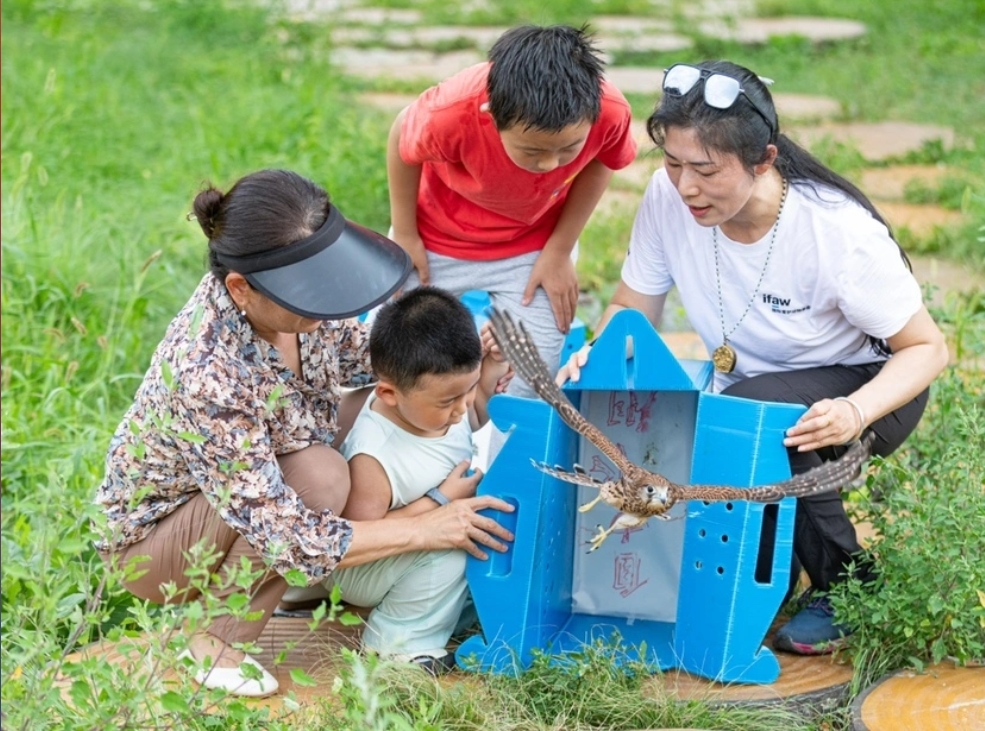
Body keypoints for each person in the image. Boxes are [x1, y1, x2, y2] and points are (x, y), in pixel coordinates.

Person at [561, 61, 948, 655]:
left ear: (764, 159)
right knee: (700, 424)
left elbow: (927, 348)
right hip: (755, 385)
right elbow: (632, 308)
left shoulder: (836, 233)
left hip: (872, 387)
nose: (685, 186)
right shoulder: (670, 200)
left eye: (706, 170)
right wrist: (595, 354)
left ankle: (849, 586)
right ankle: (775, 565)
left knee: (752, 417)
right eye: (673, 163)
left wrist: (854, 410)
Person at [93, 169, 515, 697]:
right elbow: (284, 531)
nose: (324, 300)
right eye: (306, 291)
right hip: (157, 547)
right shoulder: (208, 372)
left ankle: (298, 588)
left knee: (370, 402)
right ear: (241, 288)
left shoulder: (294, 311)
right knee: (318, 477)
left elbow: (381, 363)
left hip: (240, 496)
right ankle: (213, 638)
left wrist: (464, 359)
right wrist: (425, 525)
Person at [386, 23, 638, 397]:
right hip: (437, 239)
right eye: (533, 151)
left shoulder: (611, 111)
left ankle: (512, 450)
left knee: (533, 378)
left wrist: (559, 250)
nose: (551, 165)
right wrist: (405, 234)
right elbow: (401, 139)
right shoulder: (450, 112)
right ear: (491, 114)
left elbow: (605, 159)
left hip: (533, 246)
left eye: (569, 149)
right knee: (396, 363)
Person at [293, 287, 511, 674]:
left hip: (402, 553)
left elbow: (476, 412)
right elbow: (356, 536)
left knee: (477, 536)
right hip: (360, 566)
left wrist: (490, 370)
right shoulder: (374, 455)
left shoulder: (436, 410)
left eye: (468, 391)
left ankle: (436, 615)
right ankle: (396, 646)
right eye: (449, 401)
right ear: (389, 394)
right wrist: (441, 501)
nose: (461, 410)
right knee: (454, 545)